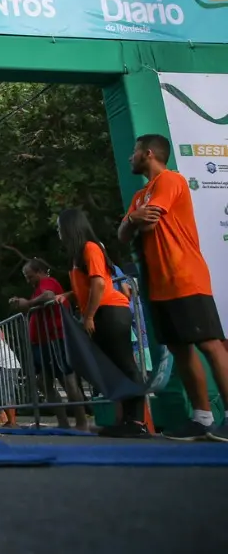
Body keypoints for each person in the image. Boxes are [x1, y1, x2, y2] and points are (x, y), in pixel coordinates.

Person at [119, 134, 228, 441]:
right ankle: (202, 418)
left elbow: (150, 222)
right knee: (180, 348)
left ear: (148, 154)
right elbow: (123, 234)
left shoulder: (170, 180)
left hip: (185, 276)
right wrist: (132, 218)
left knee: (210, 344)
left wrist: (133, 221)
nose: (130, 157)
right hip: (159, 285)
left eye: (134, 152)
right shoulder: (139, 196)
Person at [56, 208, 149, 437]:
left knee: (125, 365)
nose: (58, 232)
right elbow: (88, 285)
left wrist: (88, 316)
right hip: (102, 312)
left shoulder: (91, 248)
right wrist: (69, 295)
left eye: (60, 227)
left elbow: (99, 284)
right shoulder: (78, 254)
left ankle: (137, 421)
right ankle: (125, 419)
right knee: (114, 368)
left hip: (111, 311)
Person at [8, 259, 89, 431]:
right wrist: (21, 303)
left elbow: (49, 296)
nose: (28, 280)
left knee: (67, 379)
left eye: (30, 276)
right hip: (41, 342)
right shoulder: (37, 289)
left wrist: (28, 303)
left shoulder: (48, 282)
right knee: (43, 382)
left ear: (40, 272)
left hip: (54, 339)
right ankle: (63, 421)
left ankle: (81, 422)